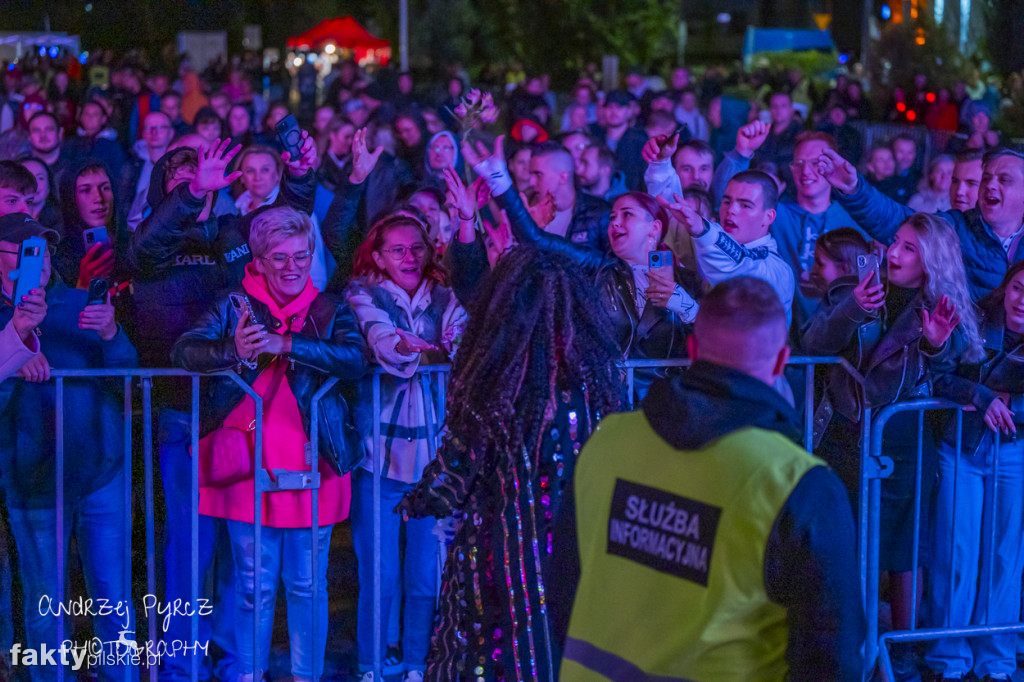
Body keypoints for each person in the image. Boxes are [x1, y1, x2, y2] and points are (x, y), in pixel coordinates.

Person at [555, 276, 864, 681]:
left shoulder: (608, 442)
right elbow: (832, 658)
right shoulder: (797, 484)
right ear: (779, 362)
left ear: (693, 350)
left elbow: (563, 590)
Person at [396, 246, 623, 681]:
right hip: (583, 545)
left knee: (504, 653)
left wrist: (423, 497)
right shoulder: (595, 386)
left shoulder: (496, 386)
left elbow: (455, 471)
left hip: (506, 549)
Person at [171, 206, 369, 682]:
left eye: (301, 256)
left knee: (307, 585)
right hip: (247, 466)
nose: (291, 266)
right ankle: (249, 675)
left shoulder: (328, 307)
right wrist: (233, 351)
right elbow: (184, 350)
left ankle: (306, 677)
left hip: (312, 462)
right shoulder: (234, 304)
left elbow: (355, 357)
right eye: (279, 257)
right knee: (254, 587)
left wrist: (289, 345)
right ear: (258, 261)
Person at [804, 213, 983, 676]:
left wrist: (934, 346)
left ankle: (896, 651)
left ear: (930, 261)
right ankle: (845, 642)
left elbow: (952, 369)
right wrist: (854, 309)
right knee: (843, 540)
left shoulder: (940, 305)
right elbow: (813, 342)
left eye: (908, 248)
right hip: (844, 432)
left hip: (902, 440)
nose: (894, 254)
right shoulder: (856, 288)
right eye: (895, 243)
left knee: (902, 547)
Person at [0, 212, 140, 682]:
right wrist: (16, 339)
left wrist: (111, 335)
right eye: (24, 252)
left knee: (114, 597)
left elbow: (128, 377)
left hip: (101, 472)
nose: (36, 263)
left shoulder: (81, 302)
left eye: (40, 251)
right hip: (33, 482)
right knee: (46, 606)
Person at [462, 138, 702, 397]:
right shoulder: (598, 267)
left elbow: (718, 344)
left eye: (627, 215)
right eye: (612, 217)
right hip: (609, 403)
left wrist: (687, 306)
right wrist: (500, 182)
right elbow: (538, 240)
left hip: (665, 405)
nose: (615, 223)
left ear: (654, 228)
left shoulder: (687, 281)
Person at [345, 214, 467, 682]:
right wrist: (424, 349)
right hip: (379, 457)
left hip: (434, 461)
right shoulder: (362, 294)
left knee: (424, 576)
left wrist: (428, 348)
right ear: (378, 256)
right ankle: (373, 666)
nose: (410, 257)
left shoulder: (445, 296)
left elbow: (463, 341)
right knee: (380, 576)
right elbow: (388, 346)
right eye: (398, 249)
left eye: (417, 247)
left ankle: (417, 664)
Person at [926, 261, 1024, 681]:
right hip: (960, 447)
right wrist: (982, 395)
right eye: (1019, 287)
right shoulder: (974, 318)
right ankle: (948, 659)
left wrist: (1012, 406)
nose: (1023, 300)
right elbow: (937, 377)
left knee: (1005, 558)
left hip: (1014, 453)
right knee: (956, 551)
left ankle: (996, 662)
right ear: (1007, 287)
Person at [709, 123, 861, 333]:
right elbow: (725, 200)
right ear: (791, 168)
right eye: (799, 162)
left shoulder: (853, 221)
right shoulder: (774, 215)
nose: (806, 171)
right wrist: (742, 153)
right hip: (779, 340)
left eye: (816, 163)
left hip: (838, 343)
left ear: (833, 165)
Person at [818, 147, 1024, 302]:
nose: (990, 185)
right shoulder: (955, 227)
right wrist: (854, 189)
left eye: (1004, 180)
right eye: (986, 179)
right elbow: (899, 221)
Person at [122, 111, 174, 230]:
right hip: (132, 232)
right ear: (144, 133)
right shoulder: (131, 165)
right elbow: (122, 202)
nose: (154, 132)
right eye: (149, 127)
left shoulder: (177, 167)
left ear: (171, 133)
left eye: (160, 127)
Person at [599, 90, 648, 190]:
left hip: (630, 199)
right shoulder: (596, 139)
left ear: (629, 111)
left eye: (619, 107)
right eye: (609, 107)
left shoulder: (640, 141)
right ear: (604, 110)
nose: (614, 111)